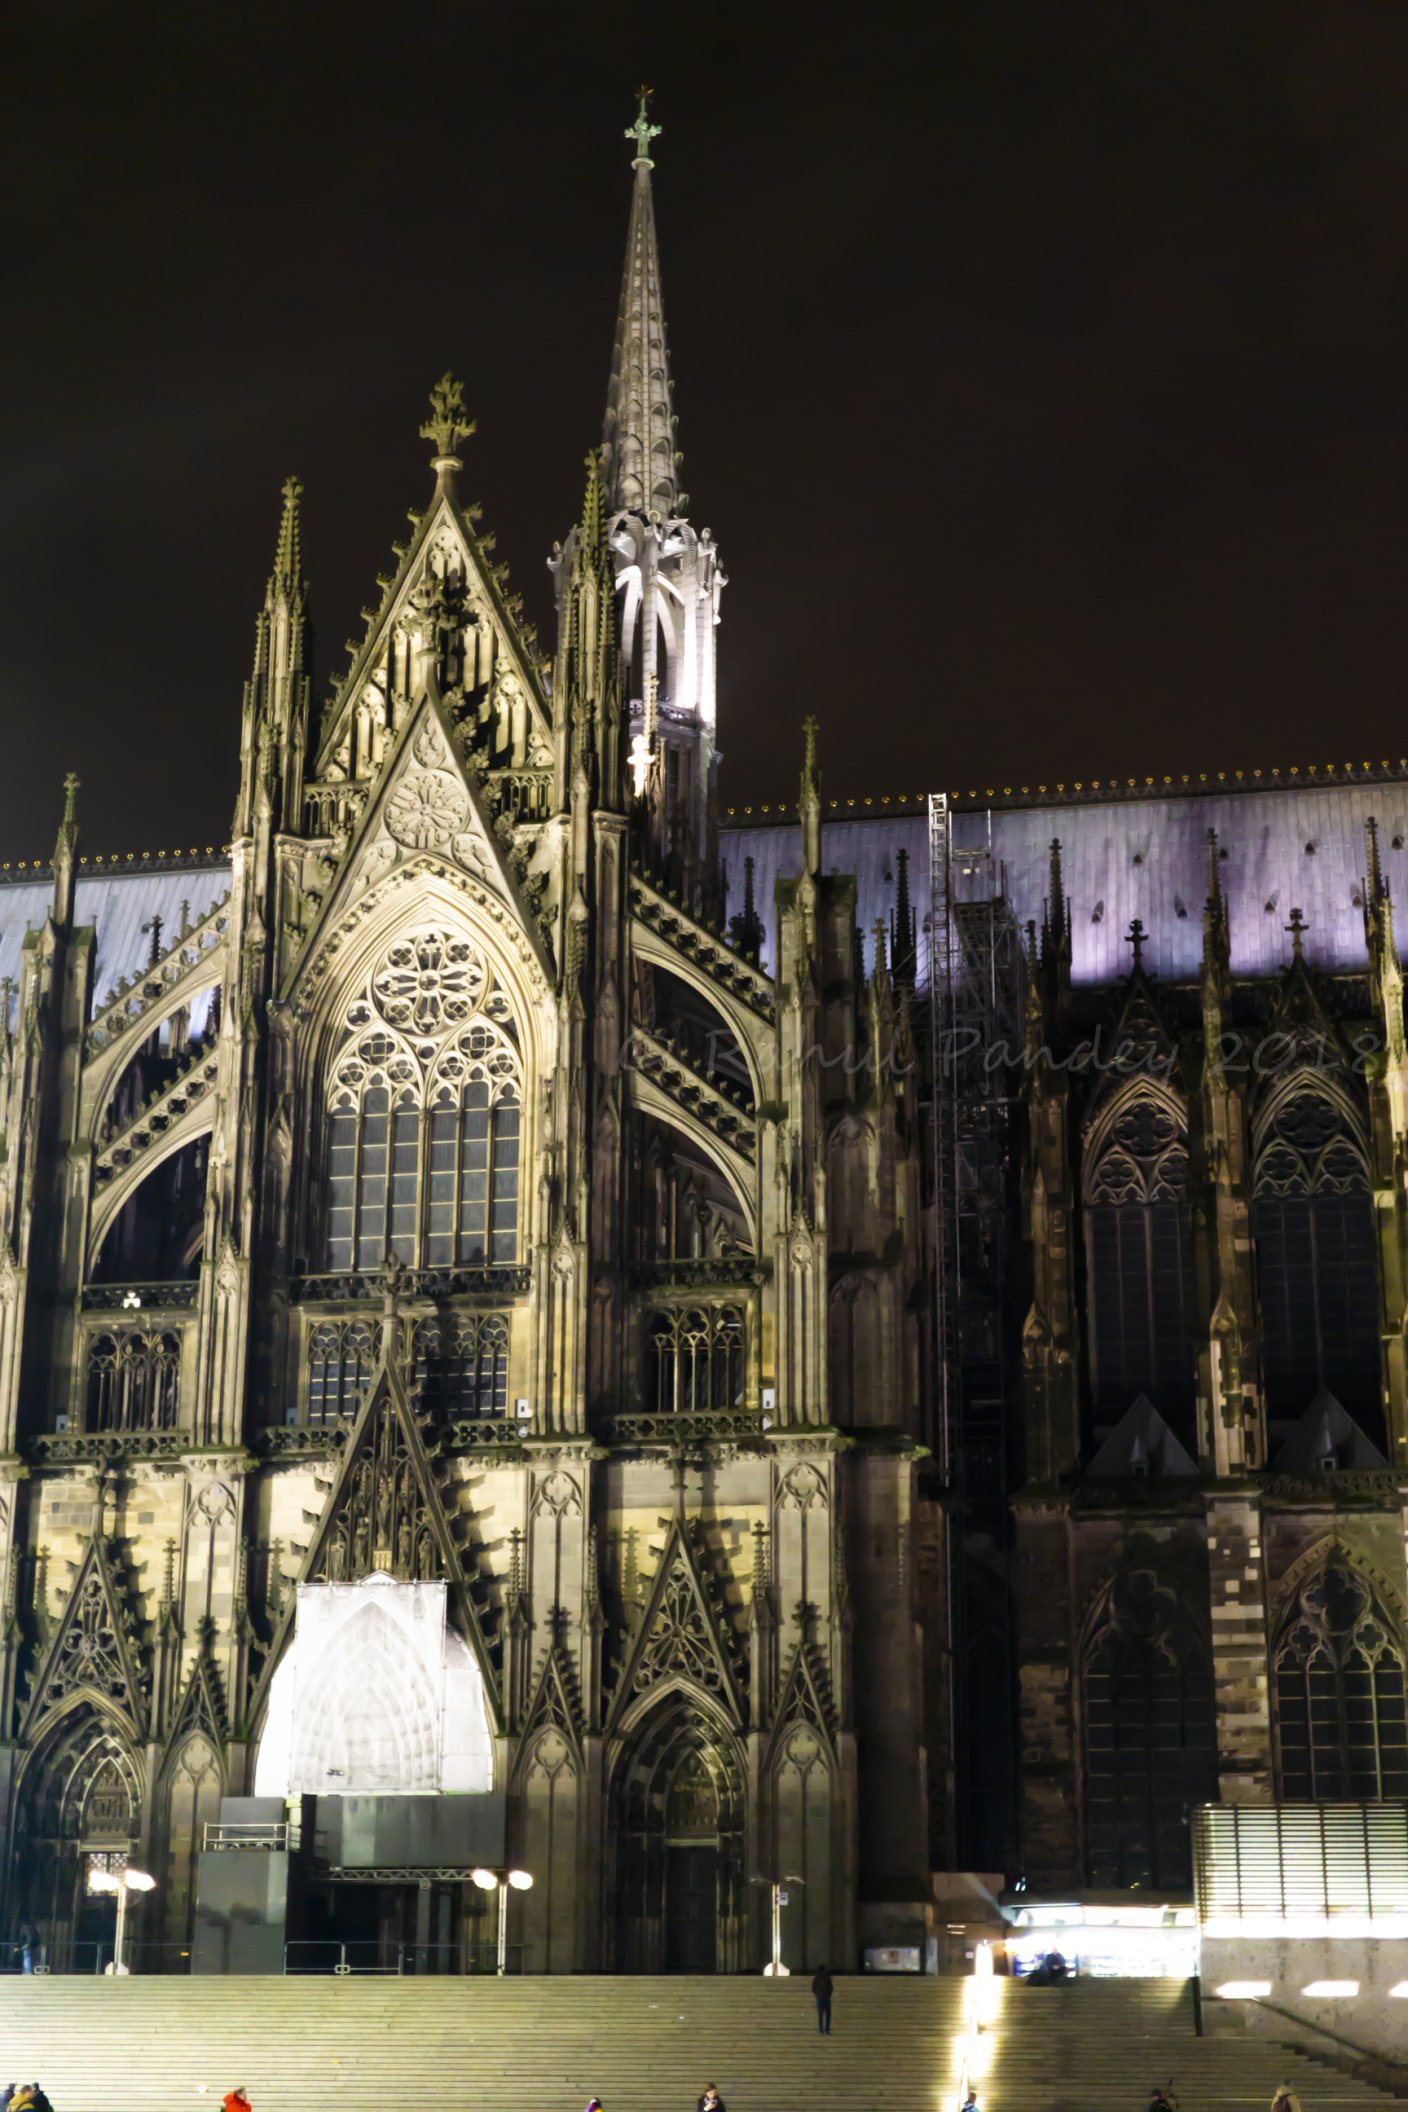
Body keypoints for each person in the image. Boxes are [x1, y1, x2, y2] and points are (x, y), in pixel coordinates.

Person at [812, 1963, 834, 2035]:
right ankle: (827, 2030)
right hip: (827, 1999)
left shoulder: (815, 1979)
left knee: (820, 2015)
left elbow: (813, 1989)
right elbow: (831, 1988)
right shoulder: (828, 1978)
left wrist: (818, 1995)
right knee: (828, 2015)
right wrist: (828, 1995)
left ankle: (821, 2030)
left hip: (819, 1999)